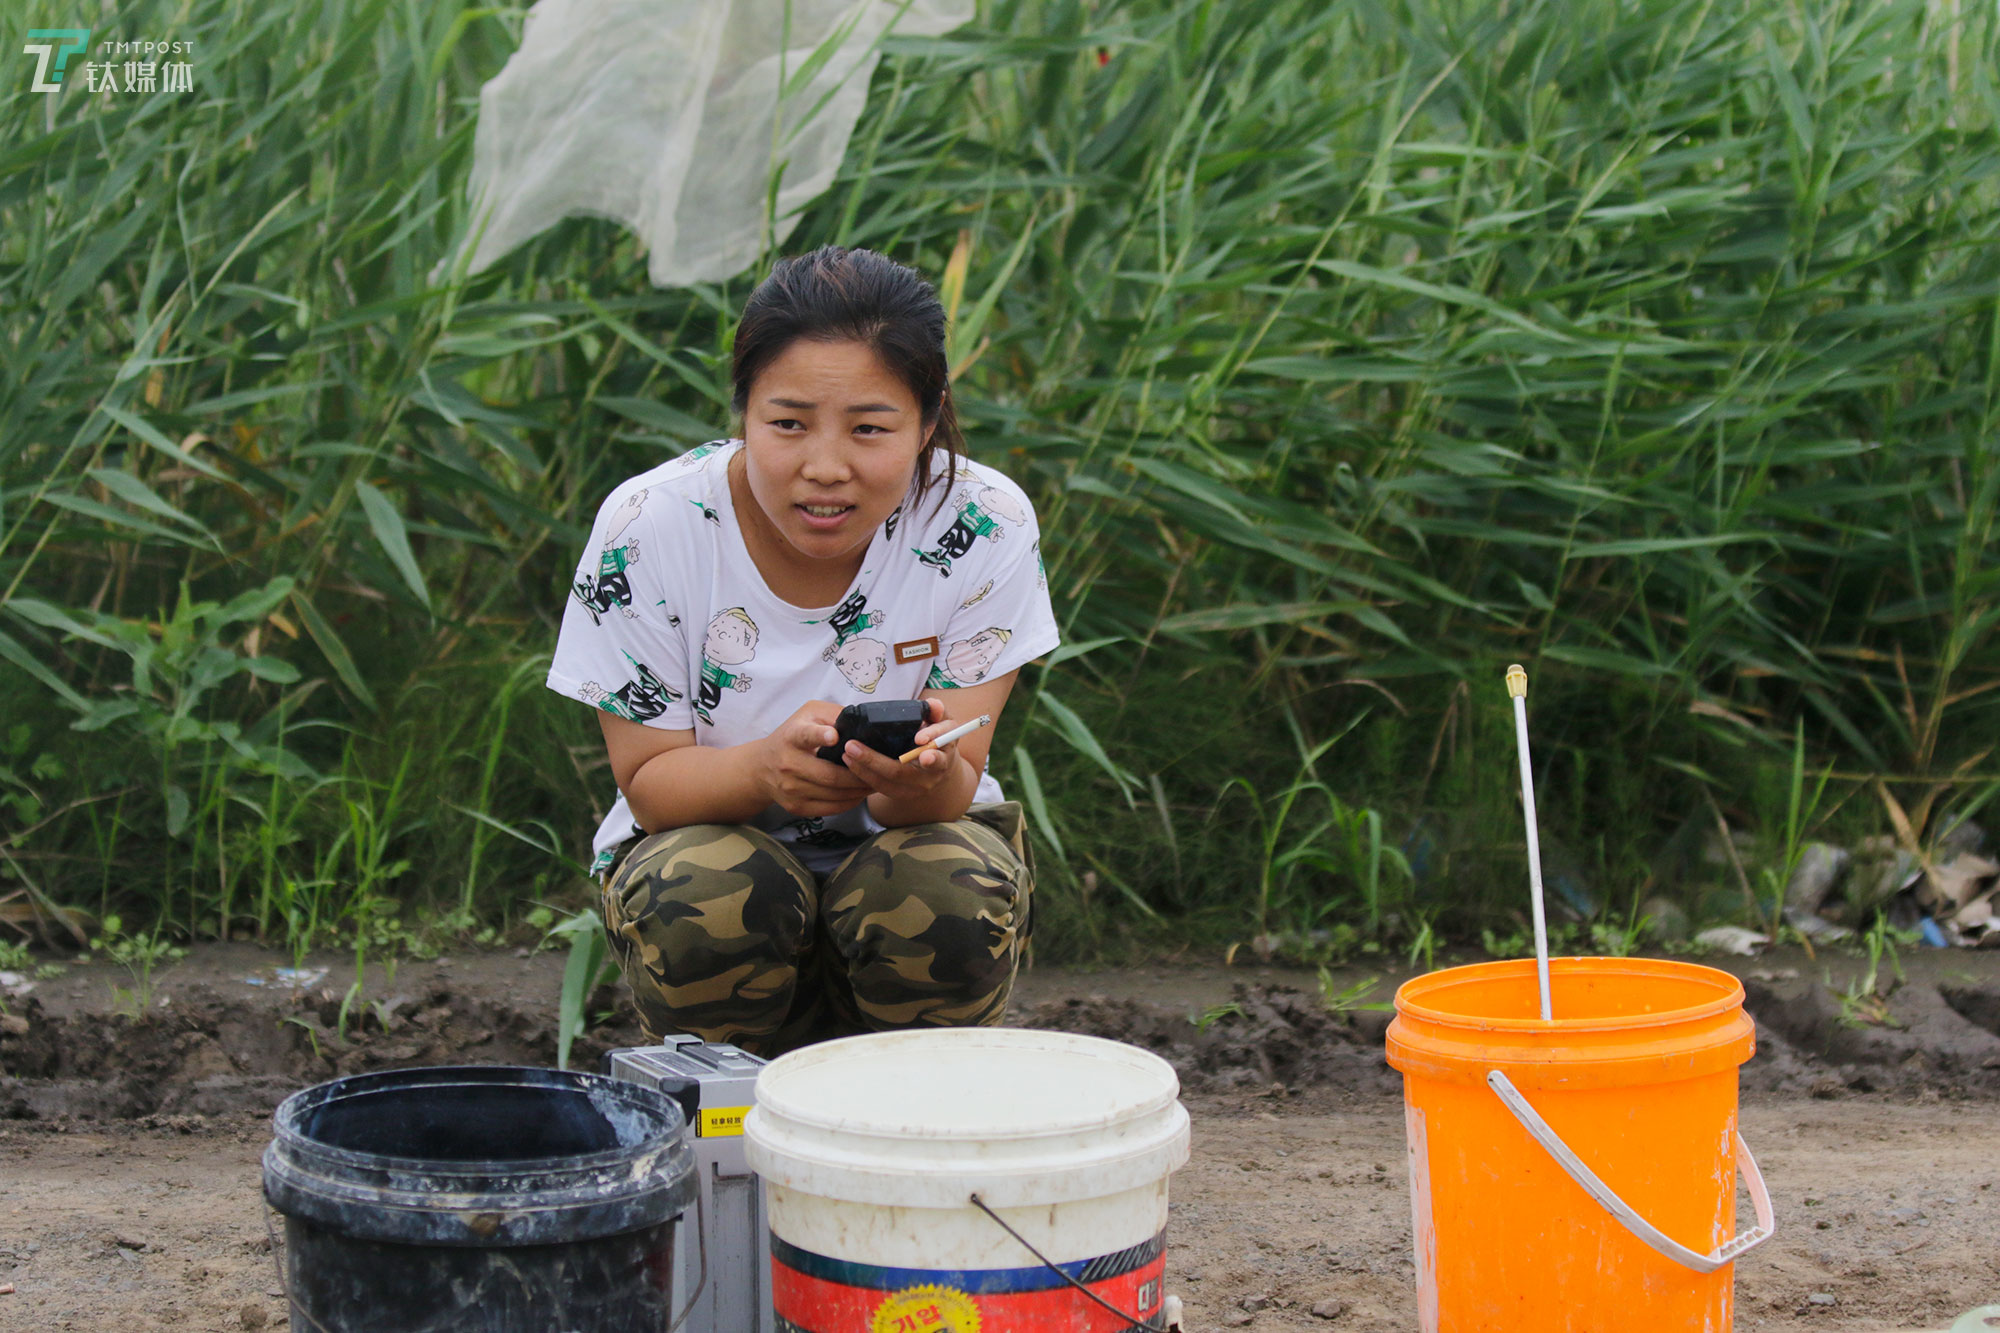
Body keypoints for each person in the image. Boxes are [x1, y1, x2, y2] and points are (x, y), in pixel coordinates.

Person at [547, 245, 1059, 1056]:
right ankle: (728, 1120)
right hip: (704, 845)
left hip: (911, 843)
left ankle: (914, 1124)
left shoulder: (983, 522)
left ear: (927, 422)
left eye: (869, 428)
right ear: (742, 413)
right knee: (706, 888)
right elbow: (648, 785)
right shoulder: (647, 527)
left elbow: (952, 781)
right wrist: (763, 771)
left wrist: (909, 780)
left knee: (946, 882)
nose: (826, 468)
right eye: (787, 423)